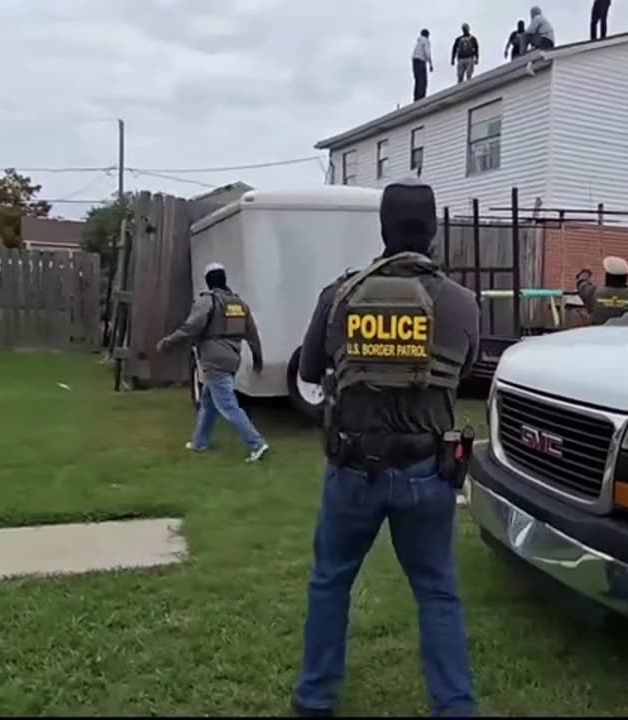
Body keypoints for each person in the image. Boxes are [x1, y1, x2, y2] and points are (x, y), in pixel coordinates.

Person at [290, 176, 481, 718]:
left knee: (331, 584)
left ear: (383, 229)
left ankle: (314, 700)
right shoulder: (463, 303)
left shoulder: (341, 295)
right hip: (428, 470)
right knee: (437, 592)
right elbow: (464, 373)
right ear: (434, 230)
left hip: (353, 469)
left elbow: (307, 372)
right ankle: (456, 708)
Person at [156, 262, 270, 463]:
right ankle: (199, 442)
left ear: (208, 281)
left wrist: (168, 342)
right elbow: (252, 334)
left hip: (213, 360)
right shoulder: (238, 304)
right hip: (233, 358)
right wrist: (258, 358)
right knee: (208, 403)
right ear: (224, 278)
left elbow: (192, 327)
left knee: (228, 406)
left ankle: (257, 443)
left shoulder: (208, 301)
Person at [576, 255, 628, 325]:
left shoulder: (593, 292)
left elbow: (582, 285)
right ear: (625, 277)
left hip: (597, 333)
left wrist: (585, 273)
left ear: (608, 276)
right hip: (625, 334)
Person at [412, 28, 433, 101]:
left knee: (417, 79)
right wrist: (430, 64)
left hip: (415, 60)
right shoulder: (426, 41)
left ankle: (416, 97)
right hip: (421, 60)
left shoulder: (418, 42)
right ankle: (421, 97)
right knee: (423, 80)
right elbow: (427, 53)